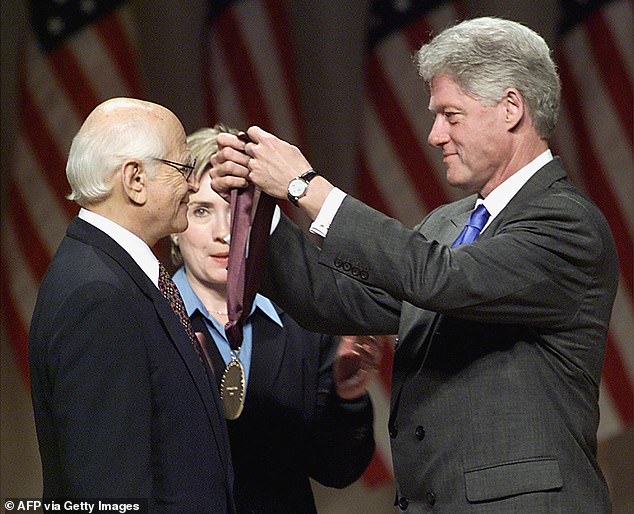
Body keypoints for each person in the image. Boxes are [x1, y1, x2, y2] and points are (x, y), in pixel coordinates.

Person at [210, 17, 619, 513]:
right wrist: (259, 208)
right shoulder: (448, 223)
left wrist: (306, 188)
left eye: (451, 115)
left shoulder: (565, 224)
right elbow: (334, 299)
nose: (433, 135)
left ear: (511, 109)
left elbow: (443, 280)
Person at [29, 98, 235, 512]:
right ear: (135, 179)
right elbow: (109, 492)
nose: (194, 185)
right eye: (183, 170)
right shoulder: (97, 296)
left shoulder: (114, 272)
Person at [168, 125, 378, 513]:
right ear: (175, 227)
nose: (223, 234)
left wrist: (347, 400)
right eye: (201, 210)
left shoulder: (306, 320)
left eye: (237, 212)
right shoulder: (152, 318)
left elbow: (337, 470)